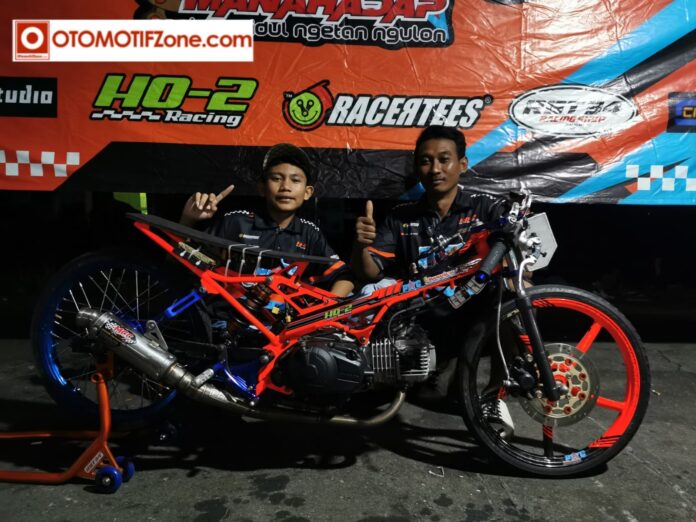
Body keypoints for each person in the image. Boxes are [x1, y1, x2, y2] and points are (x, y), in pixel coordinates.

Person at [351, 125, 513, 436]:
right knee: (434, 397)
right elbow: (369, 273)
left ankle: (495, 395)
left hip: (474, 318)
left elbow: (517, 255)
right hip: (424, 325)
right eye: (426, 161)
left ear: (462, 164)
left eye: (444, 159)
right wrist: (360, 245)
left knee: (514, 294)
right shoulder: (400, 216)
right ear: (417, 168)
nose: (435, 169)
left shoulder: (488, 207)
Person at [180, 143, 353, 297]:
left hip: (284, 323)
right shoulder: (235, 221)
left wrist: (327, 313)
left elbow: (345, 275)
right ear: (262, 188)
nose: (285, 187)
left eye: (295, 180)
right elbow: (179, 260)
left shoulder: (310, 233)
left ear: (307, 192)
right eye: (276, 178)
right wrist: (188, 220)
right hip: (227, 319)